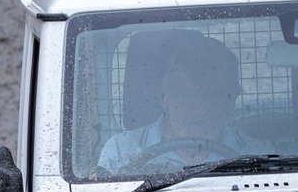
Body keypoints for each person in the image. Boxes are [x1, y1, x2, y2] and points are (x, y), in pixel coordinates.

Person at [96, 31, 243, 175]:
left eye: (214, 96)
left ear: (232, 99)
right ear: (165, 96)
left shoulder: (258, 155)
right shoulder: (121, 152)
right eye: (187, 95)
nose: (201, 110)